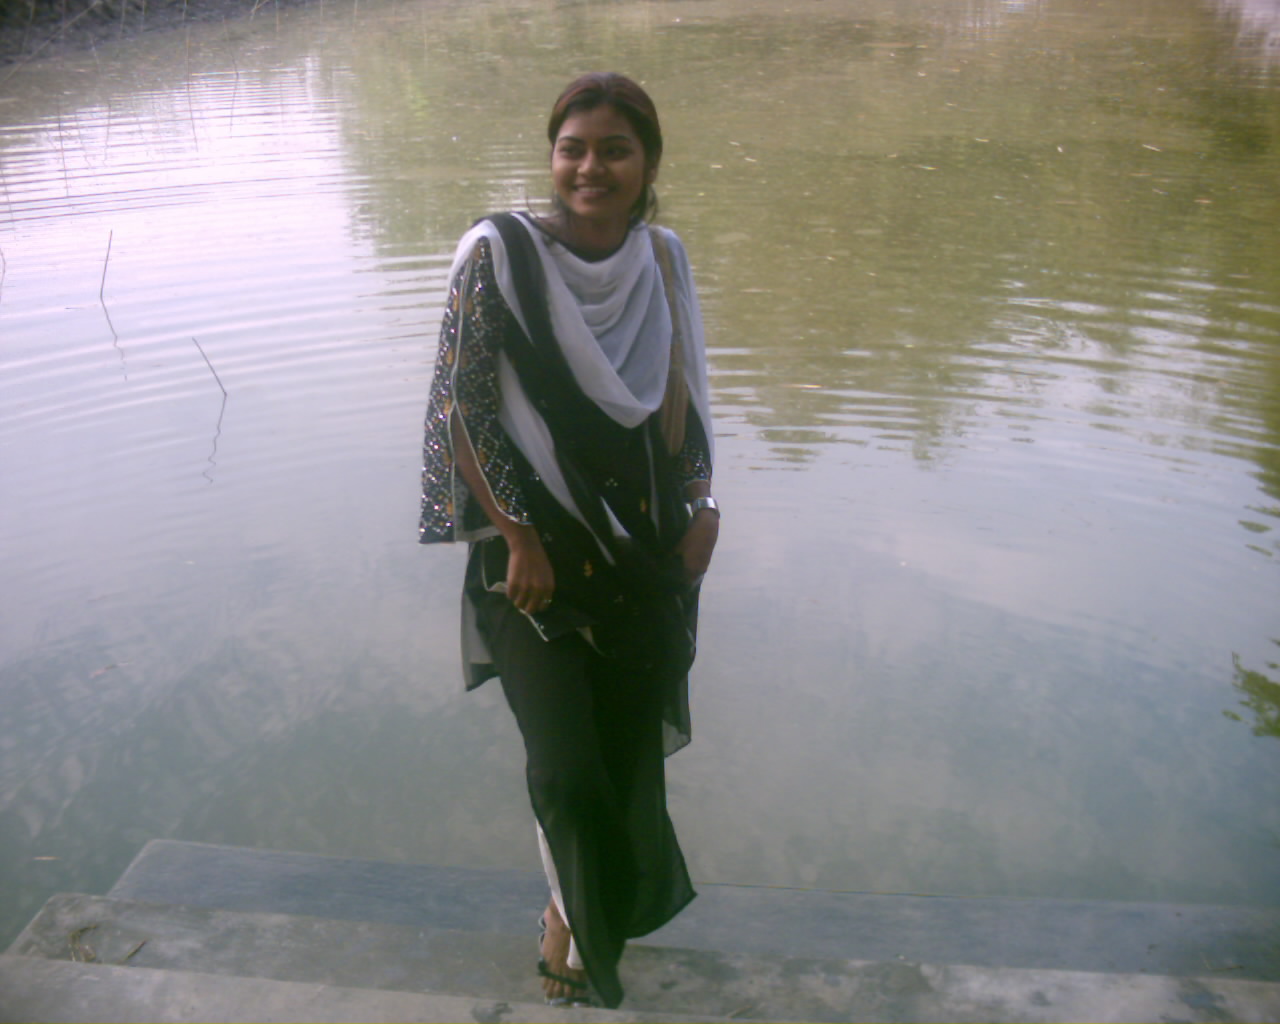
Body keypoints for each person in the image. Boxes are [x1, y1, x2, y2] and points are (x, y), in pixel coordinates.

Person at [418, 72, 718, 1009]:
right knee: (565, 768)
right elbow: (462, 410)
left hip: (642, 553)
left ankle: (574, 913)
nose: (591, 168)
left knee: (623, 757)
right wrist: (517, 536)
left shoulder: (661, 259)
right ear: (552, 157)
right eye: (573, 148)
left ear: (649, 163)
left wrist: (706, 505)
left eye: (614, 150)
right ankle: (574, 916)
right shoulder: (499, 255)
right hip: (532, 563)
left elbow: (682, 394)